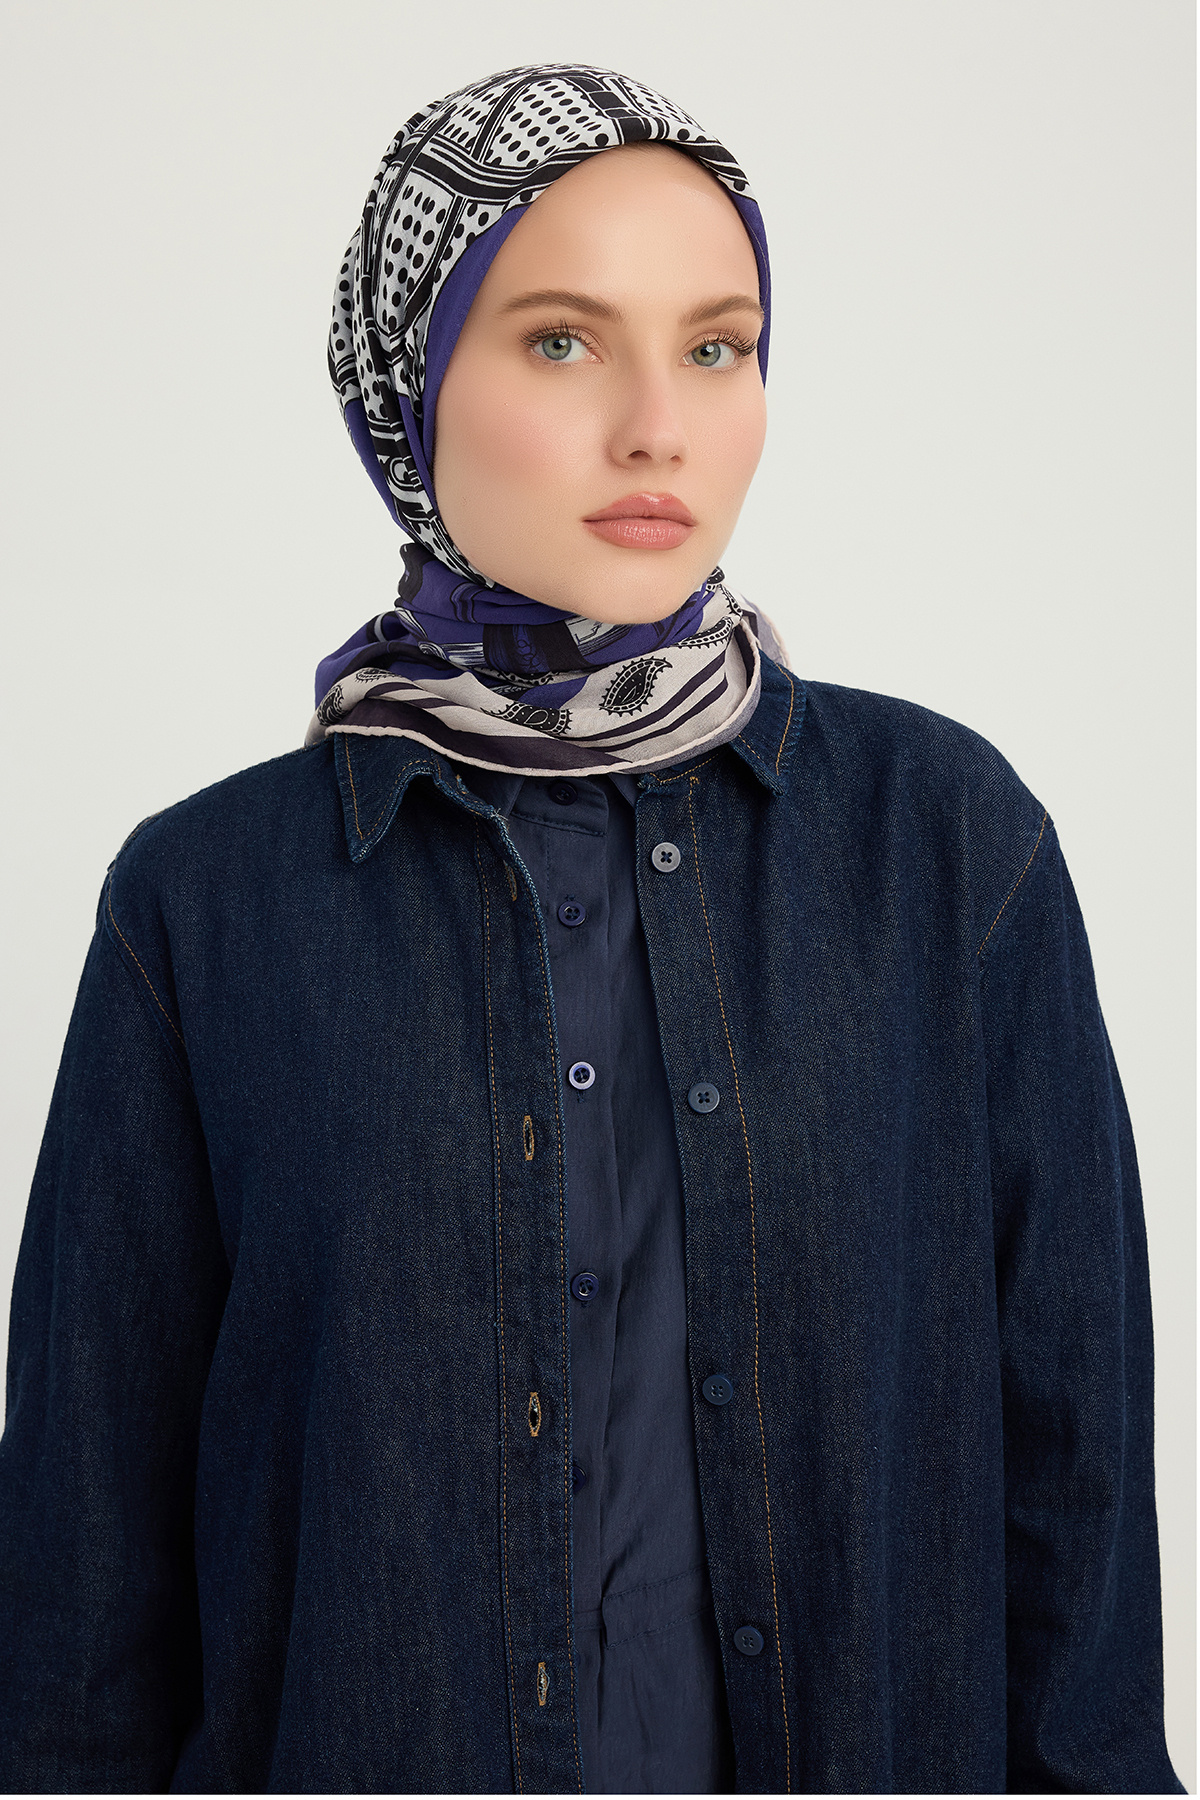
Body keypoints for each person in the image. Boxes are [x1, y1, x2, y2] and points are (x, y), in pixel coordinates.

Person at [0, 62, 1183, 1797]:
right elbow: (82, 1590)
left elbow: (1077, 1496)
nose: (658, 427)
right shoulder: (204, 907)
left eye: (717, 346)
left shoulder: (949, 850)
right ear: (409, 383)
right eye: (561, 341)